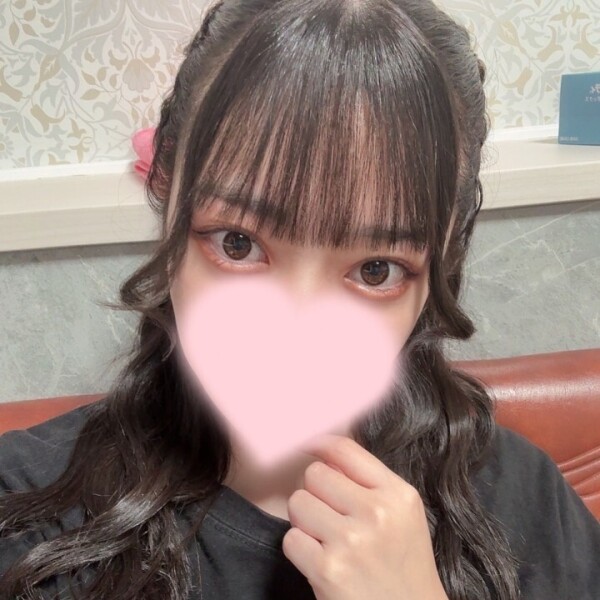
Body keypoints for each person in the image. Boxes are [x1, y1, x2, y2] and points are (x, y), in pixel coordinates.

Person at [1, 0, 599, 598]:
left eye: (376, 270)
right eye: (237, 244)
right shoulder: (25, 512)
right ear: (168, 198)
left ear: (442, 264)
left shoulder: (522, 501)